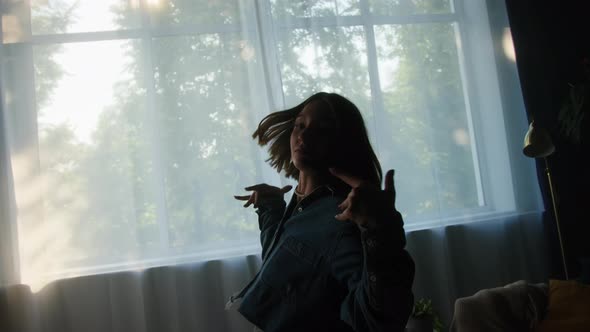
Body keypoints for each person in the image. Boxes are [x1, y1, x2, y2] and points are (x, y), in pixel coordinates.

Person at [227, 92, 415, 332]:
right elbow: (285, 264)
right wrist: (271, 209)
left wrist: (380, 229)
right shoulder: (302, 205)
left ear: (344, 142)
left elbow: (379, 319)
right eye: (300, 125)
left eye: (322, 129)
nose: (304, 135)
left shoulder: (340, 220)